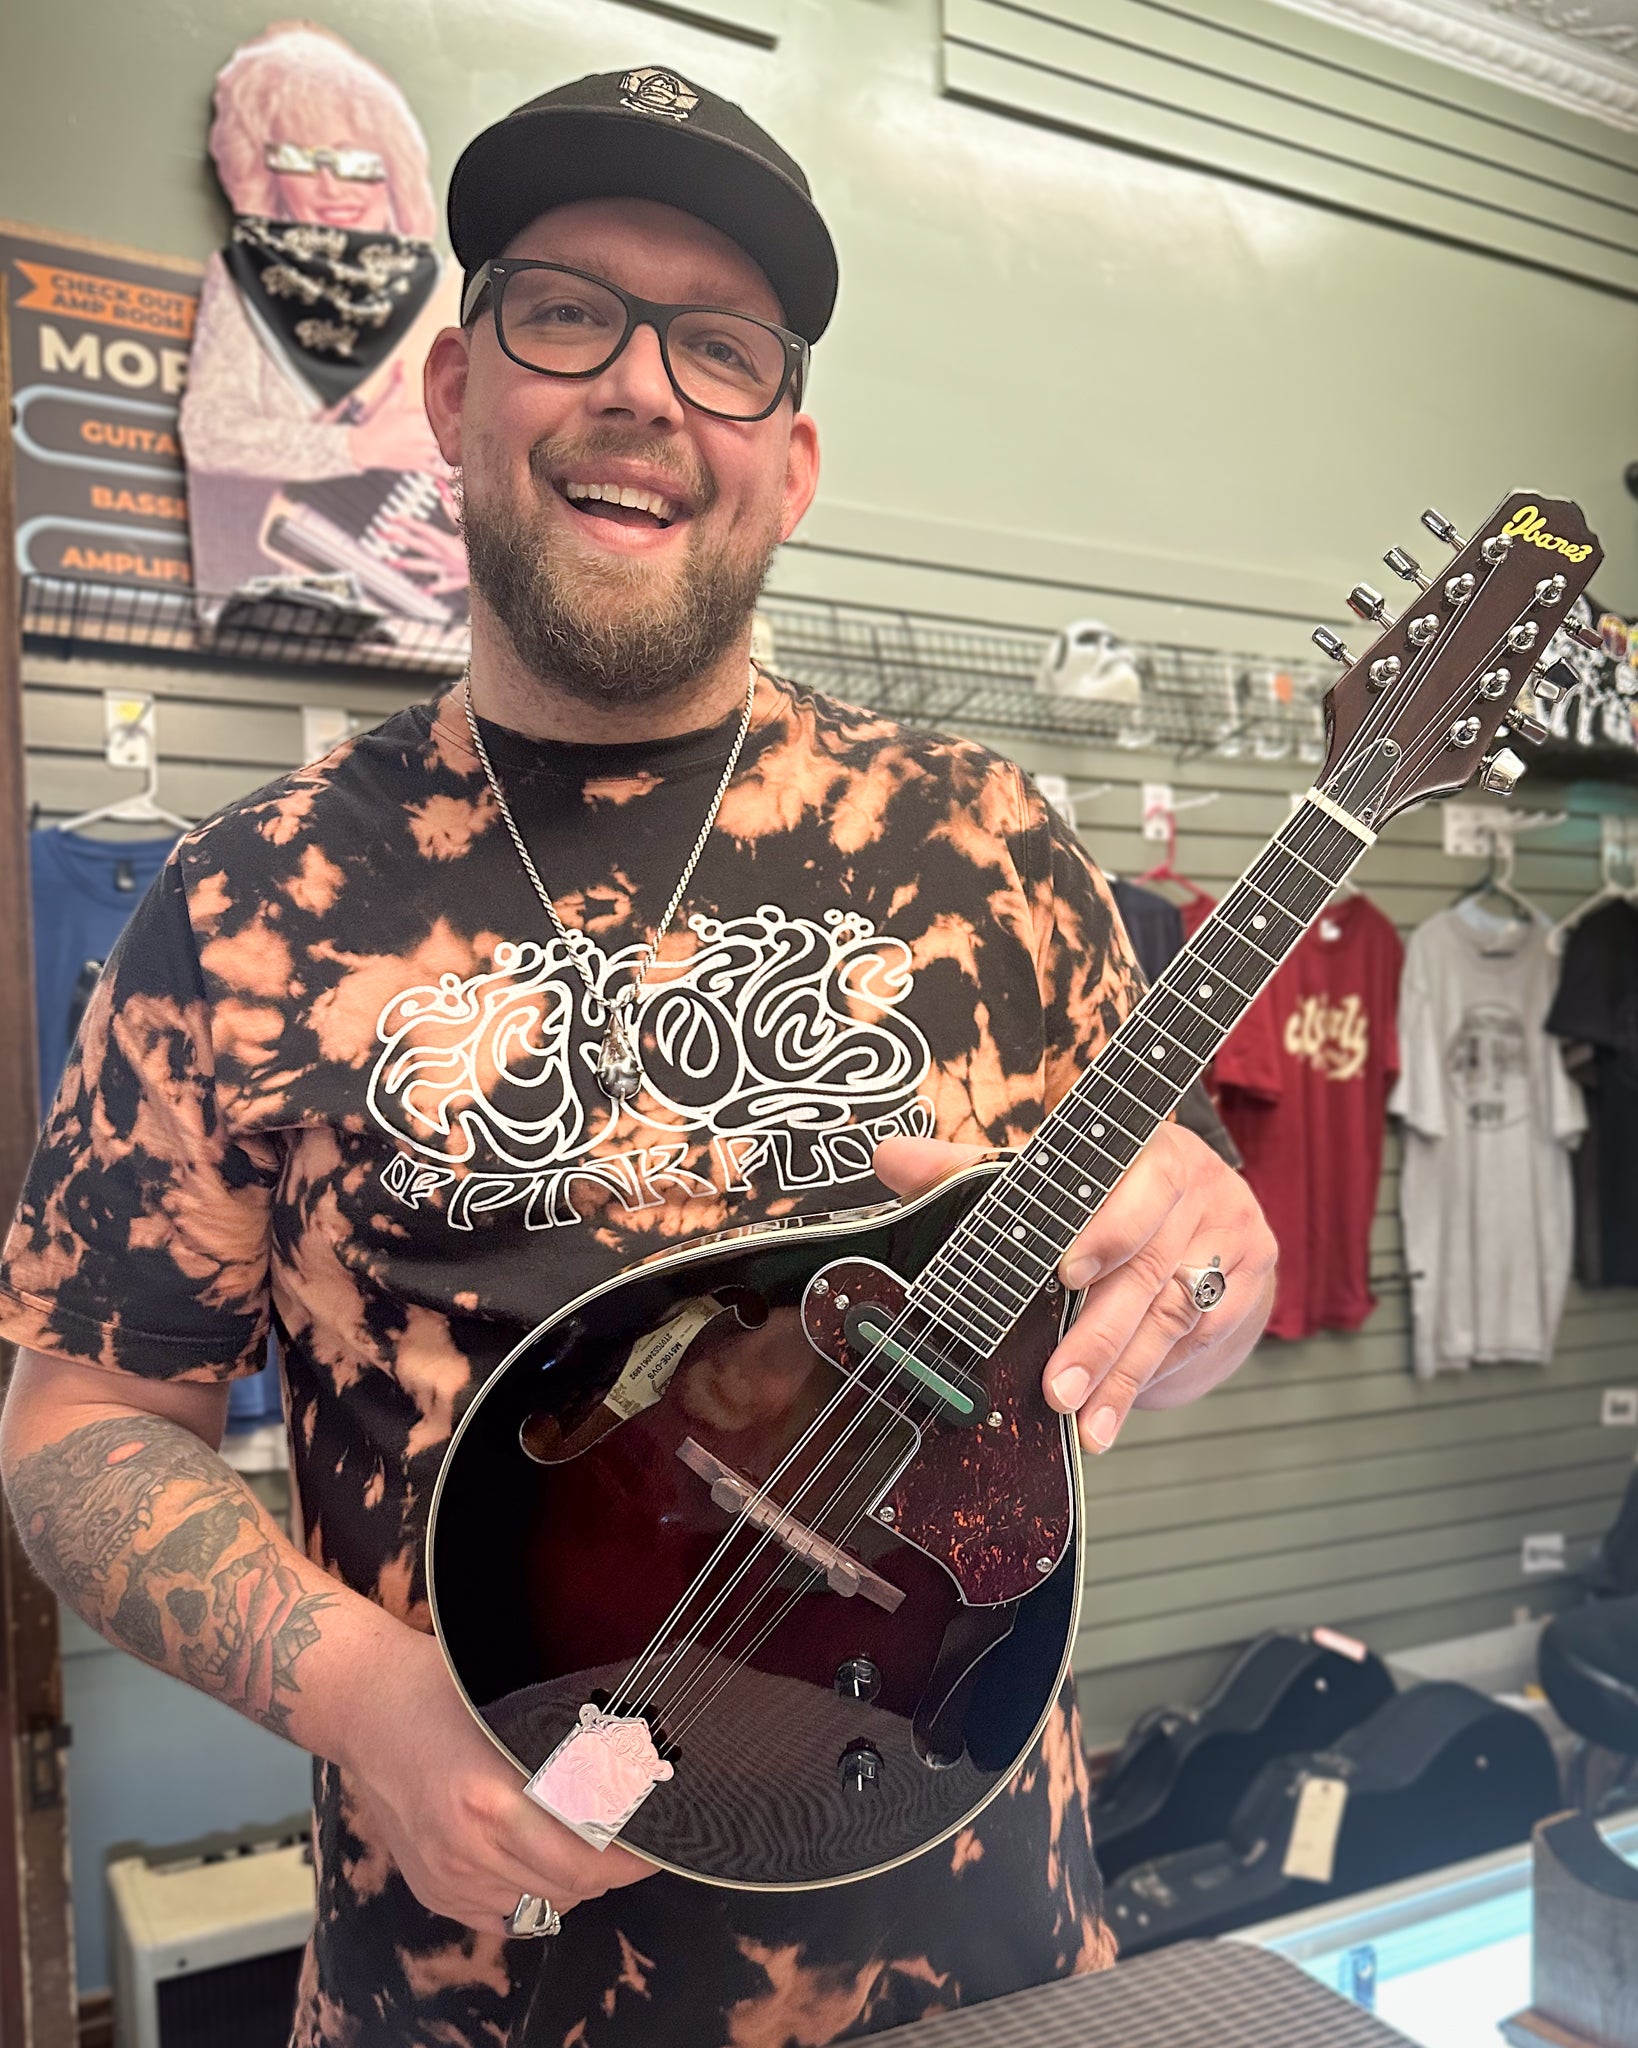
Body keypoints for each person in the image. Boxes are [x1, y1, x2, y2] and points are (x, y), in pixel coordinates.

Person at [0, 68, 1276, 2048]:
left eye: (720, 348)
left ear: (793, 460)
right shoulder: (237, 905)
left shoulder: (992, 843)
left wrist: (1216, 1270)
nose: (644, 390)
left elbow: (1171, 1259)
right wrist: (363, 1698)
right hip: (468, 2006)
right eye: (568, 313)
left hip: (994, 1980)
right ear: (450, 390)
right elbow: (77, 1427)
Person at [179, 22, 466, 621]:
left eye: (358, 164)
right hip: (284, 581)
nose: (334, 188)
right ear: (264, 173)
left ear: (391, 166)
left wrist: (477, 561)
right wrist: (355, 444)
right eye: (304, 161)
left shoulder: (450, 289)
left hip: (449, 625)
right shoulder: (239, 281)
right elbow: (208, 431)